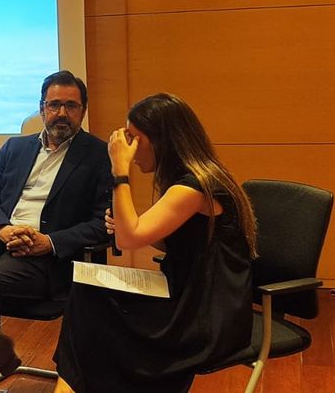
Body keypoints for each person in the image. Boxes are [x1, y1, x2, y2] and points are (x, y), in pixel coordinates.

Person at [54, 93, 258, 393]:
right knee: (87, 296)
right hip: (190, 296)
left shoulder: (194, 187)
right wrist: (127, 225)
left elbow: (129, 238)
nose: (132, 151)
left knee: (91, 308)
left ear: (162, 140)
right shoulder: (191, 180)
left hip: (205, 315)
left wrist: (119, 170)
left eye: (135, 139)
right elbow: (172, 241)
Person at [0, 70, 111, 393]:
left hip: (48, 260)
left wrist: (48, 242)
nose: (61, 113)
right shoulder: (14, 148)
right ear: (41, 108)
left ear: (83, 110)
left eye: (71, 106)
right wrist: (5, 229)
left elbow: (101, 224)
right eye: (54, 105)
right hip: (3, 239)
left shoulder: (98, 155)